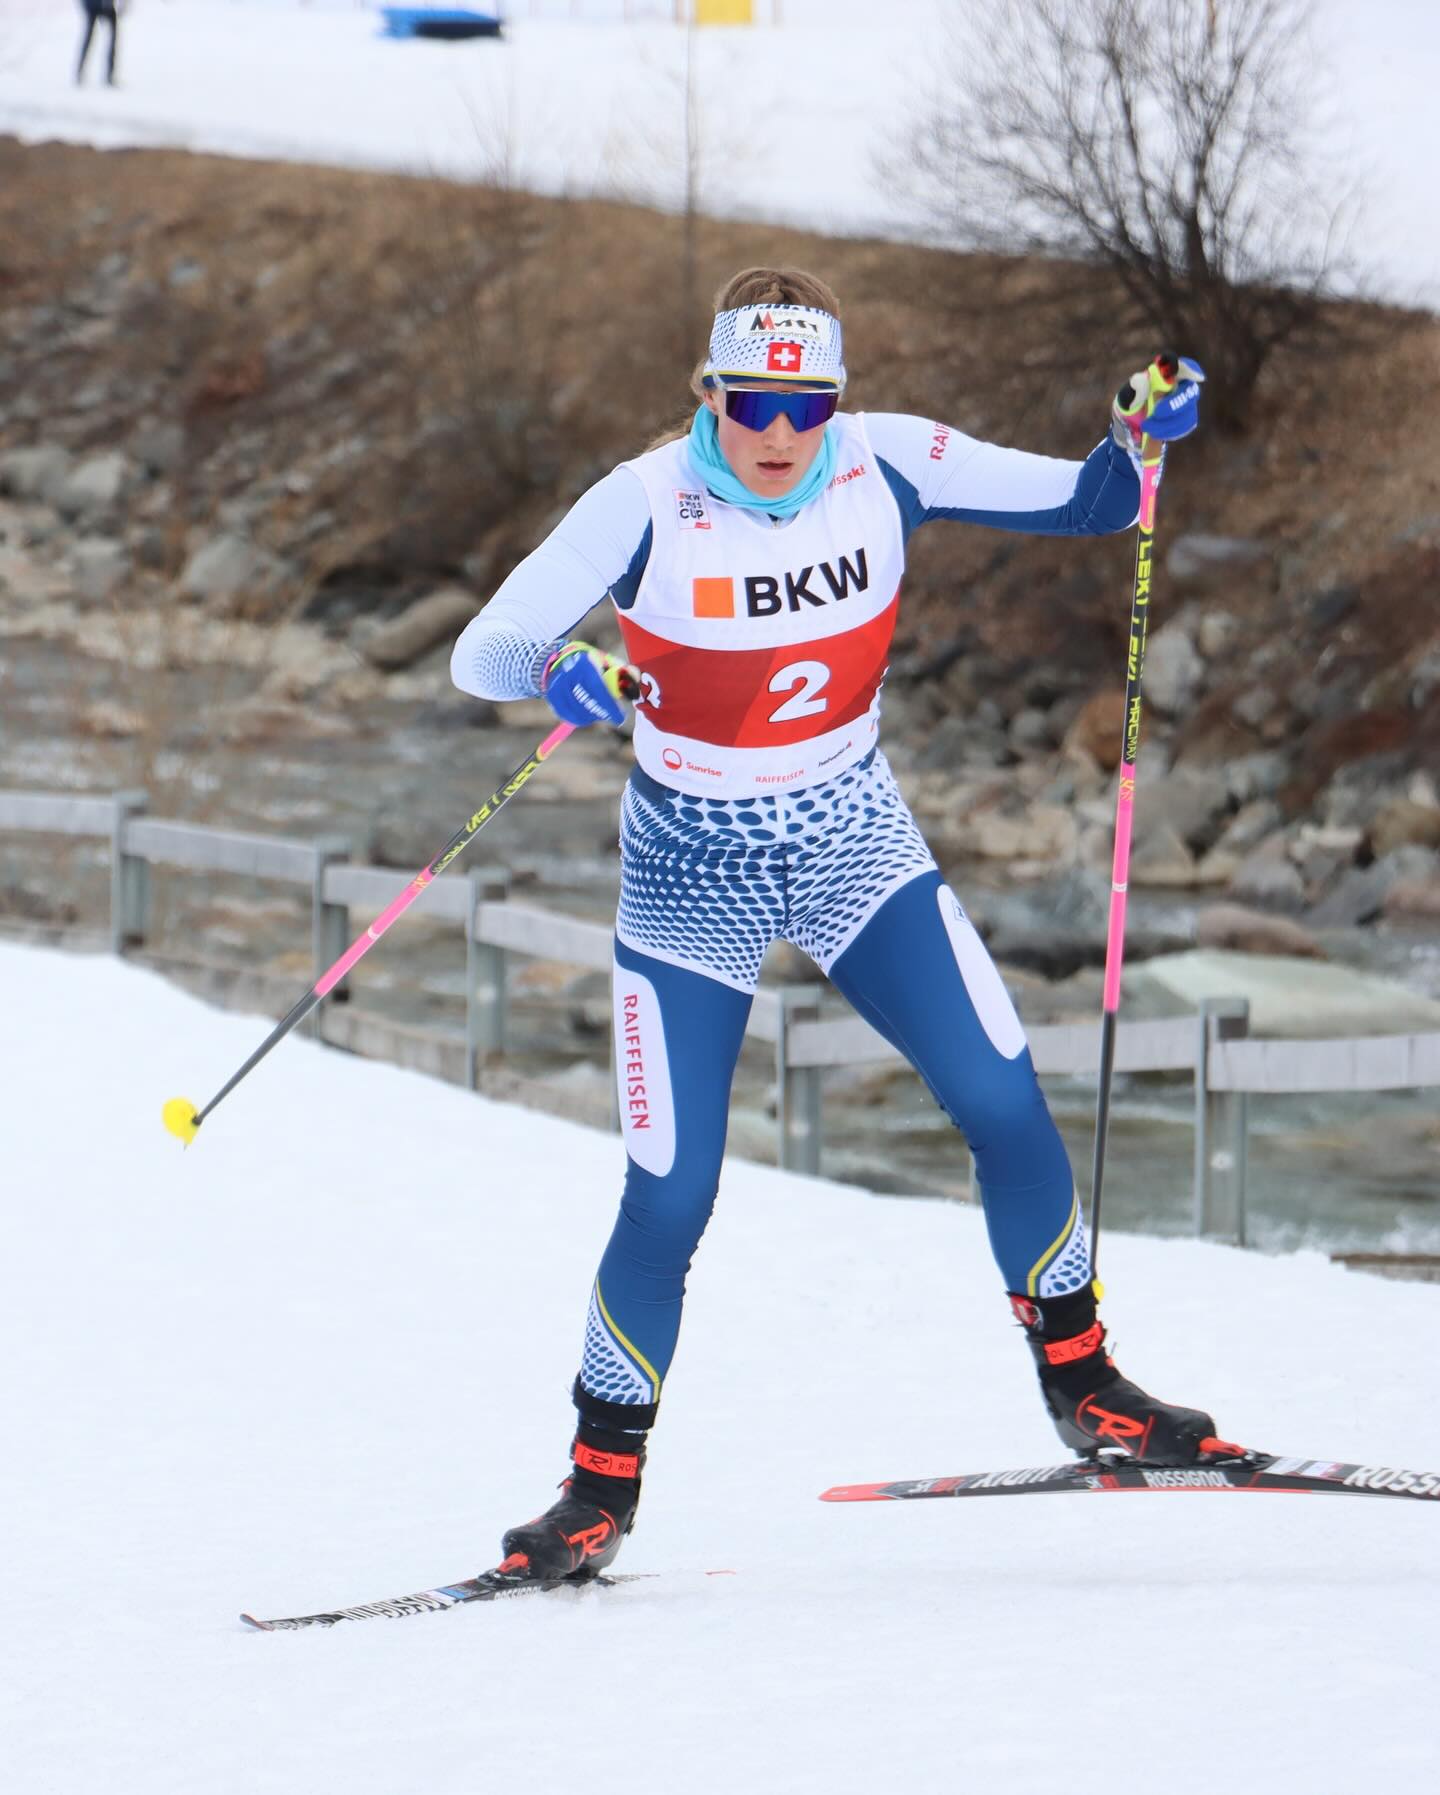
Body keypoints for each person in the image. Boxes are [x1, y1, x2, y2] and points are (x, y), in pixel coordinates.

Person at [450, 266, 1222, 1581]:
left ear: (834, 402)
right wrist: (558, 667)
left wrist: (1135, 433)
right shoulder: (643, 502)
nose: (777, 431)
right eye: (750, 398)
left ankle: (1089, 1386)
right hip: (693, 870)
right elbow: (484, 648)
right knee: (671, 1189)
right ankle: (597, 1485)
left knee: (1002, 1098)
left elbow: (1095, 501)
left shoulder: (892, 461)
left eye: (803, 405)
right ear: (712, 391)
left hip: (853, 841)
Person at [75, 0, 121, 88]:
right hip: (94, 5)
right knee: (89, 36)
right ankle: (80, 71)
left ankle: (109, 74)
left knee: (110, 37)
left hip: (103, 5)